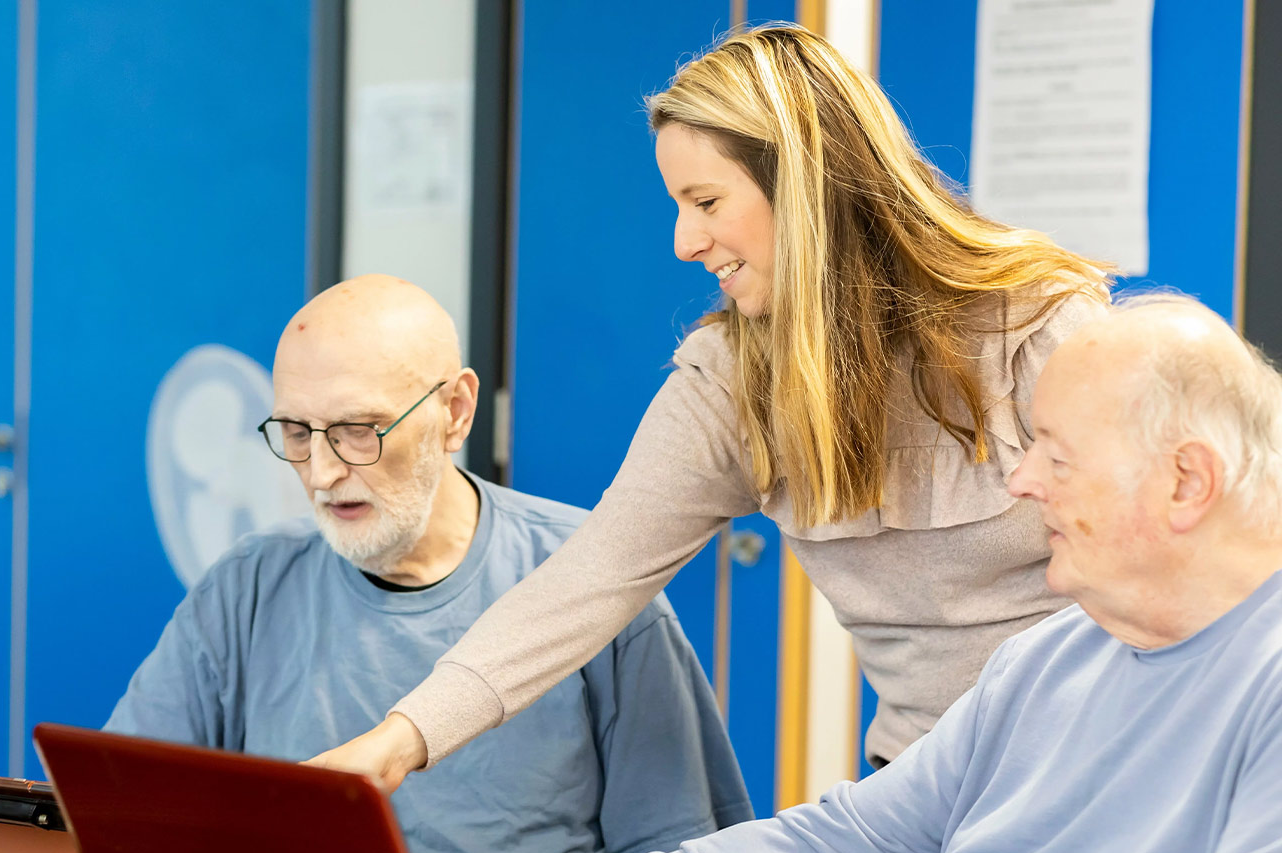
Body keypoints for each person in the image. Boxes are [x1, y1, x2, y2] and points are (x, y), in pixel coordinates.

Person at [310, 25, 1111, 788]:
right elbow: (588, 580)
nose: (683, 242)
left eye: (705, 201)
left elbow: (1168, 565)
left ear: (806, 187)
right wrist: (402, 739)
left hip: (1099, 766)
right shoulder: (733, 380)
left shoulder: (1034, 326)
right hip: (922, 785)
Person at [419, 294, 1282, 853]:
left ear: (1186, 483)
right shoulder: (1049, 659)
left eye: (1056, 457)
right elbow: (837, 846)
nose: (1021, 486)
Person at [104, 274, 753, 853]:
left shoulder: (590, 588)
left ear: (456, 412)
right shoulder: (247, 592)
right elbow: (112, 814)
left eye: (359, 430)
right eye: (298, 434)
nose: (324, 473)